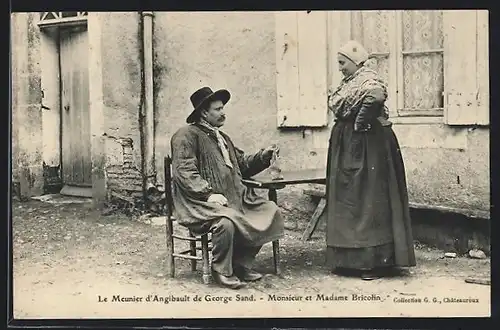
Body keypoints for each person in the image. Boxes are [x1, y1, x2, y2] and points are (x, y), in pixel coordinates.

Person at [170, 86, 284, 289]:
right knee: (226, 223)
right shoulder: (186, 135)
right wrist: (207, 194)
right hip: (199, 202)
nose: (223, 113)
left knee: (270, 211)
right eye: (218, 109)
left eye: (223, 108)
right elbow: (184, 172)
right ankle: (221, 269)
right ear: (204, 112)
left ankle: (240, 264)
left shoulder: (222, 137)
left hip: (233, 198)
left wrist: (263, 156)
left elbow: (243, 165)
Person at [325, 40, 416, 280]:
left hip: (366, 146)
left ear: (356, 62)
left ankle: (370, 263)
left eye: (343, 63)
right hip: (351, 145)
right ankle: (348, 261)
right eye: (339, 63)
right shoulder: (351, 82)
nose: (341, 68)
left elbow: (375, 96)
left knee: (366, 199)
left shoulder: (368, 79)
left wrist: (360, 122)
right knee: (349, 199)